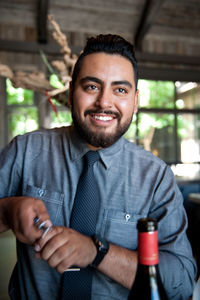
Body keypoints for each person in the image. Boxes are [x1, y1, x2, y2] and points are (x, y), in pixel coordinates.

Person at [0, 34, 197, 300]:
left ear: (135, 101)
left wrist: (97, 252)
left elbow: (182, 283)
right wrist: (6, 210)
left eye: (120, 90)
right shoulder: (25, 152)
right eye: (92, 86)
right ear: (71, 93)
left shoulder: (156, 178)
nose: (104, 102)